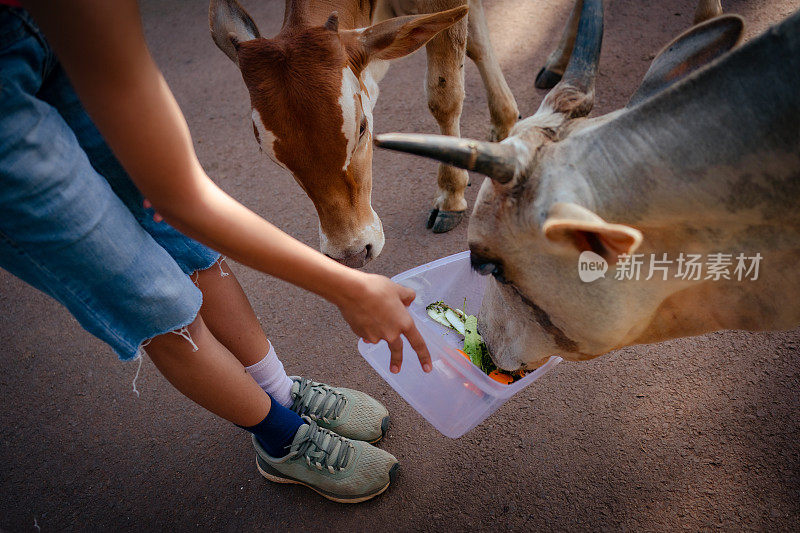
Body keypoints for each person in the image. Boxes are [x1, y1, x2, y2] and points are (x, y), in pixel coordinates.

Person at [0, 0, 432, 503]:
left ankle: (280, 392)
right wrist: (345, 286)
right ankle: (281, 438)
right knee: (146, 289)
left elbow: (173, 201)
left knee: (183, 240)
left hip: (44, 24)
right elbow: (184, 196)